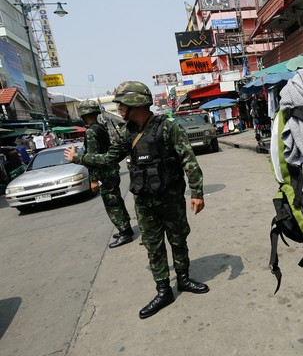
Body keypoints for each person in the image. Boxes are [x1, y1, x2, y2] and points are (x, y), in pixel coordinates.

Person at [65, 81, 209, 319]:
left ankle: (183, 279)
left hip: (171, 198)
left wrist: (197, 192)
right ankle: (164, 291)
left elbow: (188, 160)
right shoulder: (125, 133)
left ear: (136, 103)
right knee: (153, 247)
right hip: (144, 202)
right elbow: (109, 159)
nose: (119, 108)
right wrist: (80, 158)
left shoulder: (168, 127)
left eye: (122, 103)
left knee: (178, 239)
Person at [78, 99, 133, 248]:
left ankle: (125, 232)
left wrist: (94, 180)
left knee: (112, 203)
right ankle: (125, 228)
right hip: (111, 169)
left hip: (104, 172)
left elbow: (93, 158)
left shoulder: (91, 131)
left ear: (83, 114)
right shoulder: (100, 127)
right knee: (116, 200)